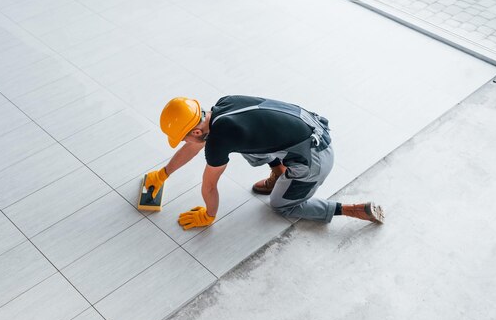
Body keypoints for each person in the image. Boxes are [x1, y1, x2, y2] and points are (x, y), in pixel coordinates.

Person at [144, 96, 385, 230]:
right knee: (247, 145)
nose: (183, 142)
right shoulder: (224, 106)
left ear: (196, 131)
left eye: (183, 136)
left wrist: (209, 215)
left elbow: (209, 186)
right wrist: (163, 174)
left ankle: (347, 209)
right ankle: (279, 173)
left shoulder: (219, 139)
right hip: (310, 128)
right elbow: (194, 146)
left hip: (315, 157)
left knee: (281, 206)